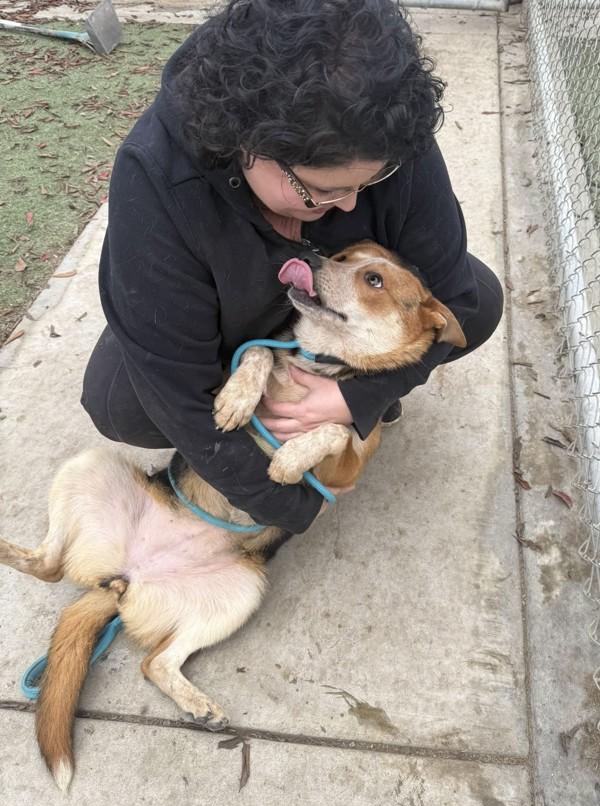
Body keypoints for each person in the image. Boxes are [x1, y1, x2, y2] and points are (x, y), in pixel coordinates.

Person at [81, 0, 503, 541]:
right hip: (224, 318)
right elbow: (171, 384)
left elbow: (455, 295)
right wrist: (285, 503)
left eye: (370, 183)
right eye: (323, 190)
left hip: (335, 310)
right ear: (247, 144)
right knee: (121, 404)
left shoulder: (388, 134)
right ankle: (261, 395)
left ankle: (348, 373)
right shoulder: (156, 175)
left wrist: (360, 398)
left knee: (478, 302)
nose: (350, 205)